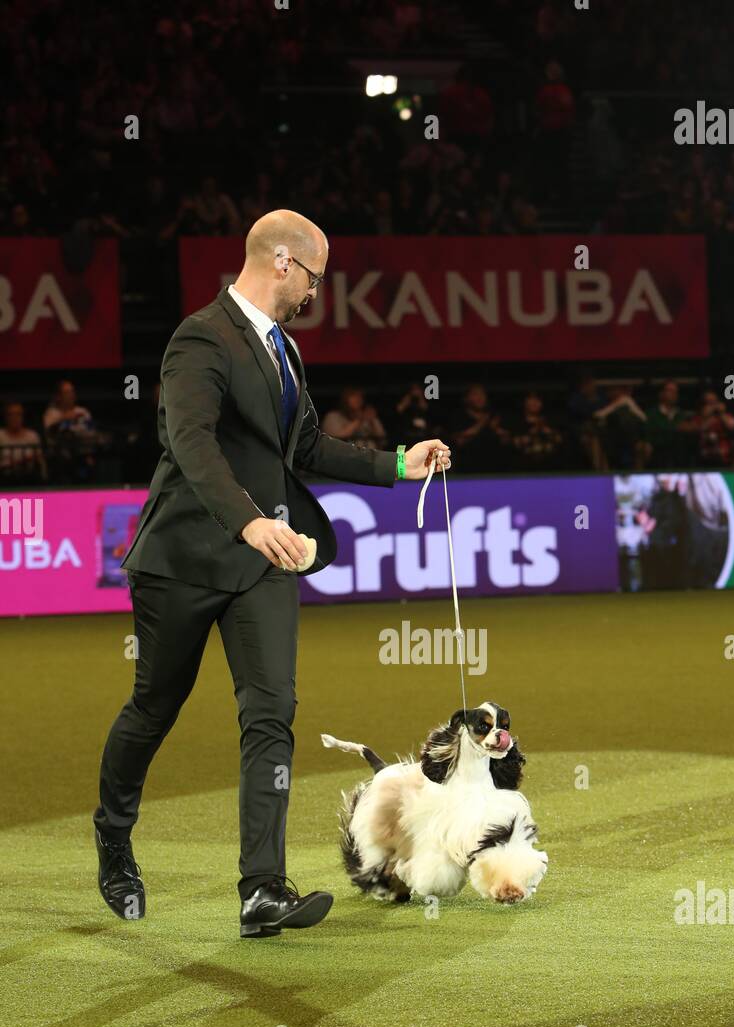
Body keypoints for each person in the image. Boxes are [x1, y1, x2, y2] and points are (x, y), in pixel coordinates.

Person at [92, 209, 451, 939]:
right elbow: (188, 442)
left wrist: (395, 463)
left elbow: (308, 445)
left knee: (270, 714)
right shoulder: (201, 336)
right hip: (187, 559)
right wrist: (249, 519)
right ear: (283, 262)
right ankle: (113, 834)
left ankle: (262, 889)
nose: (317, 294)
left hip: (265, 563)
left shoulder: (285, 351)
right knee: (153, 708)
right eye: (315, 278)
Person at [321, 387, 388, 449]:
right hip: (343, 456)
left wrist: (373, 420)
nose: (357, 399)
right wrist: (359, 420)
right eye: (353, 396)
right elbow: (341, 435)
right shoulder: (333, 416)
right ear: (345, 399)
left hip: (368, 456)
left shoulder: (367, 417)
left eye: (359, 397)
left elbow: (382, 439)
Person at [0, 401, 46, 481]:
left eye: (18, 414)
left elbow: (40, 460)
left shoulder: (32, 436)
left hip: (30, 479)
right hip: (4, 479)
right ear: (5, 417)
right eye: (11, 414)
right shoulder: (1, 435)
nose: (15, 418)